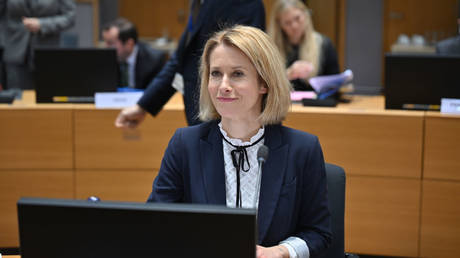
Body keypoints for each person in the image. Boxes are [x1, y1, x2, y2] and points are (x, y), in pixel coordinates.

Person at [147, 25, 331, 258]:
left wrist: (281, 251)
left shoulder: (303, 149)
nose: (223, 85)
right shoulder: (185, 144)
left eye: (237, 74)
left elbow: (318, 232)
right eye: (215, 74)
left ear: (264, 83)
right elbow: (156, 221)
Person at [115, 0, 265, 127]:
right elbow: (182, 59)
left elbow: (244, 63)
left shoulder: (243, 2)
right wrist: (144, 106)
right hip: (202, 116)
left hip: (225, 121)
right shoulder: (200, 2)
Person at [0, 0, 76, 89]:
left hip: (46, 51)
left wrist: (42, 24)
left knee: (45, 96)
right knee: (16, 98)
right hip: (13, 48)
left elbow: (70, 17)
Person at [268, 0, 339, 91]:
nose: (294, 26)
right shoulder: (271, 48)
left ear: (306, 15)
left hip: (316, 103)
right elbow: (264, 86)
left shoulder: (324, 44)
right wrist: (288, 74)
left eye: (297, 18)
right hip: (284, 103)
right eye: (287, 23)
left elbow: (334, 84)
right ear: (280, 25)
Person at [102, 18, 166, 89]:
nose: (106, 47)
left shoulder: (154, 60)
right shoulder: (105, 59)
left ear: (129, 43)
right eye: (105, 42)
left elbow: (156, 92)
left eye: (110, 43)